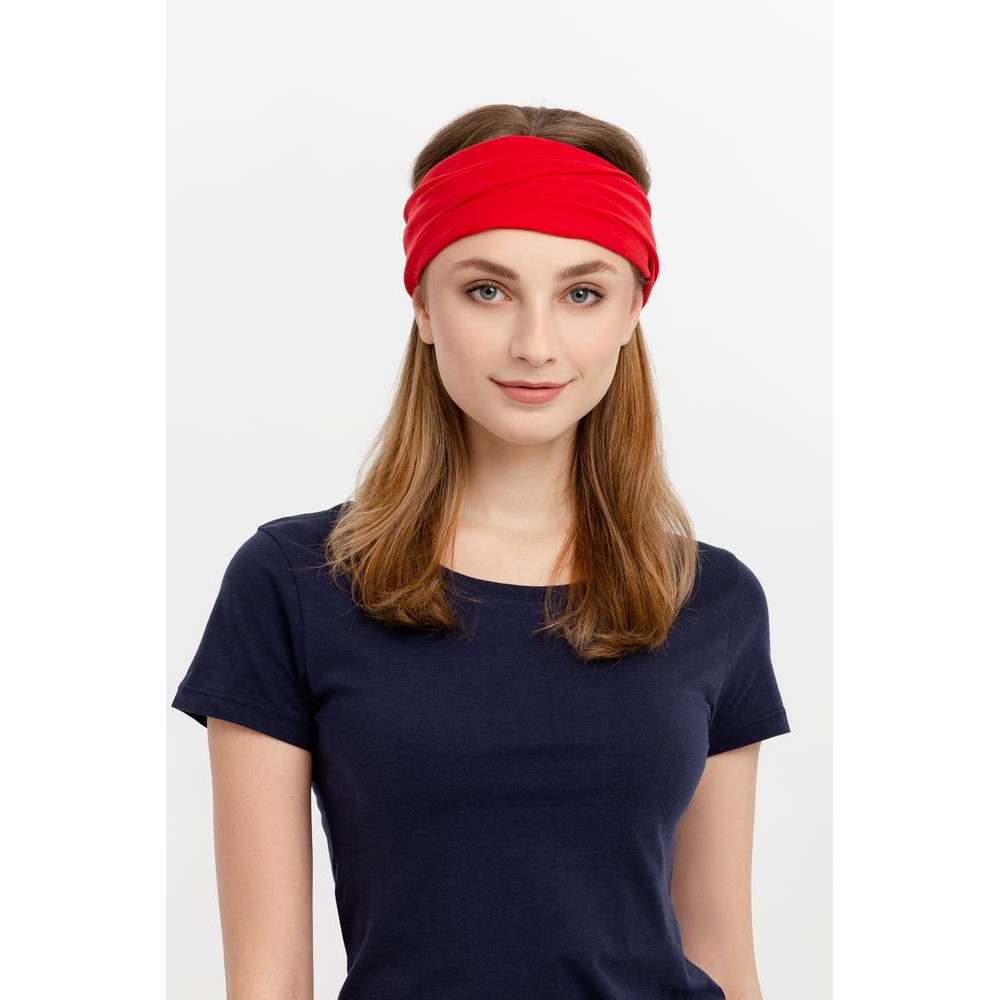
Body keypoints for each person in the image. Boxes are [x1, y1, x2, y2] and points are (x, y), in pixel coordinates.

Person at [171, 103, 792, 1000]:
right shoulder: (293, 583)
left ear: (632, 312)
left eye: (582, 294)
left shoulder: (709, 597)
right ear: (423, 305)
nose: (535, 345)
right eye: (487, 290)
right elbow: (267, 980)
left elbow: (724, 953)